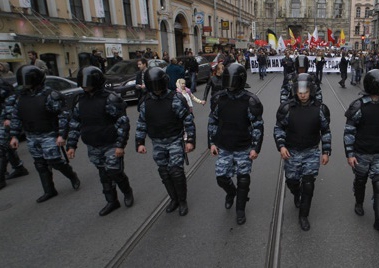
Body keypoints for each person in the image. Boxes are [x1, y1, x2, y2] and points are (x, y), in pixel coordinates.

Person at [66, 67, 134, 216]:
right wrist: (71, 145)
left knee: (115, 171)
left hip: (111, 143)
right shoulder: (80, 100)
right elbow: (75, 124)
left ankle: (127, 192)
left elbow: (123, 123)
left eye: (88, 84)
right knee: (103, 173)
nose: (85, 87)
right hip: (93, 144)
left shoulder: (110, 99)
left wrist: (120, 145)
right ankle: (111, 201)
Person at [9, 66, 80, 202]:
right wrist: (14, 136)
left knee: (55, 161)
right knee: (40, 164)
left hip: (49, 134)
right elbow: (16, 117)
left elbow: (63, 116)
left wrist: (62, 135)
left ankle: (72, 176)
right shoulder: (21, 97)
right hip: (31, 135)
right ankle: (49, 190)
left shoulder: (50, 95)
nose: (26, 85)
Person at [344, 69, 379, 233]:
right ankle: (359, 202)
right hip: (362, 153)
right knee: (360, 181)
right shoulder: (358, 106)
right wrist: (350, 154)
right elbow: (349, 132)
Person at [274, 73, 331, 231]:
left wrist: (326, 151)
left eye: (305, 92)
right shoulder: (287, 108)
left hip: (311, 151)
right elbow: (279, 128)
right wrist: (281, 146)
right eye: (300, 92)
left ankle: (303, 215)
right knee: (292, 180)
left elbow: (325, 131)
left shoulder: (319, 109)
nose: (303, 95)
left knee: (309, 184)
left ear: (310, 91)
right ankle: (296, 193)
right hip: (291, 151)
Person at [135, 67, 196, 217]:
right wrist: (139, 142)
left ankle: (182, 201)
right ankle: (173, 199)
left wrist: (190, 141)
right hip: (157, 142)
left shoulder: (174, 99)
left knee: (176, 171)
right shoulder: (145, 102)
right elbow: (141, 123)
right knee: (164, 172)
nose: (156, 90)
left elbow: (188, 121)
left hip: (174, 140)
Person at [208, 63, 264, 225]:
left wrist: (255, 147)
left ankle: (240, 209)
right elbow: (213, 121)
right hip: (224, 145)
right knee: (221, 177)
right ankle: (231, 193)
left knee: (243, 179)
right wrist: (211, 142)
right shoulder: (219, 98)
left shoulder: (250, 100)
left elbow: (258, 126)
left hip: (243, 146)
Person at [0, 77, 29, 188]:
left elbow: (10, 99)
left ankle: (0, 179)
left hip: (4, 119)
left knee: (1, 146)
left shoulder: (2, 84)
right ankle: (19, 168)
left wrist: (8, 117)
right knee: (7, 146)